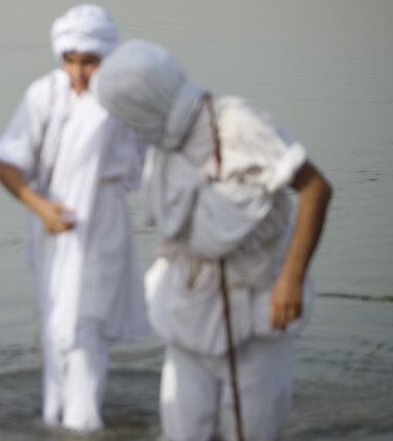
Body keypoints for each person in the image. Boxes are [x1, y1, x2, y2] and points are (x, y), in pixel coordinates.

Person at [92, 39, 332, 441]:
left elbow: (316, 189)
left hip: (257, 304)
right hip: (189, 304)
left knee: (250, 429)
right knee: (184, 429)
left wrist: (290, 279)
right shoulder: (163, 145)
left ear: (148, 102)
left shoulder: (237, 122)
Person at [0, 5, 148, 431]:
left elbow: (155, 166)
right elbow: (5, 162)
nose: (79, 71)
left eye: (90, 61)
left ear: (108, 57)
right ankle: (57, 415)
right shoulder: (44, 94)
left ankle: (83, 423)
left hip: (104, 226)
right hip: (52, 227)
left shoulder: (126, 101)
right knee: (56, 327)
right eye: (70, 60)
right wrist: (40, 207)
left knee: (84, 328)